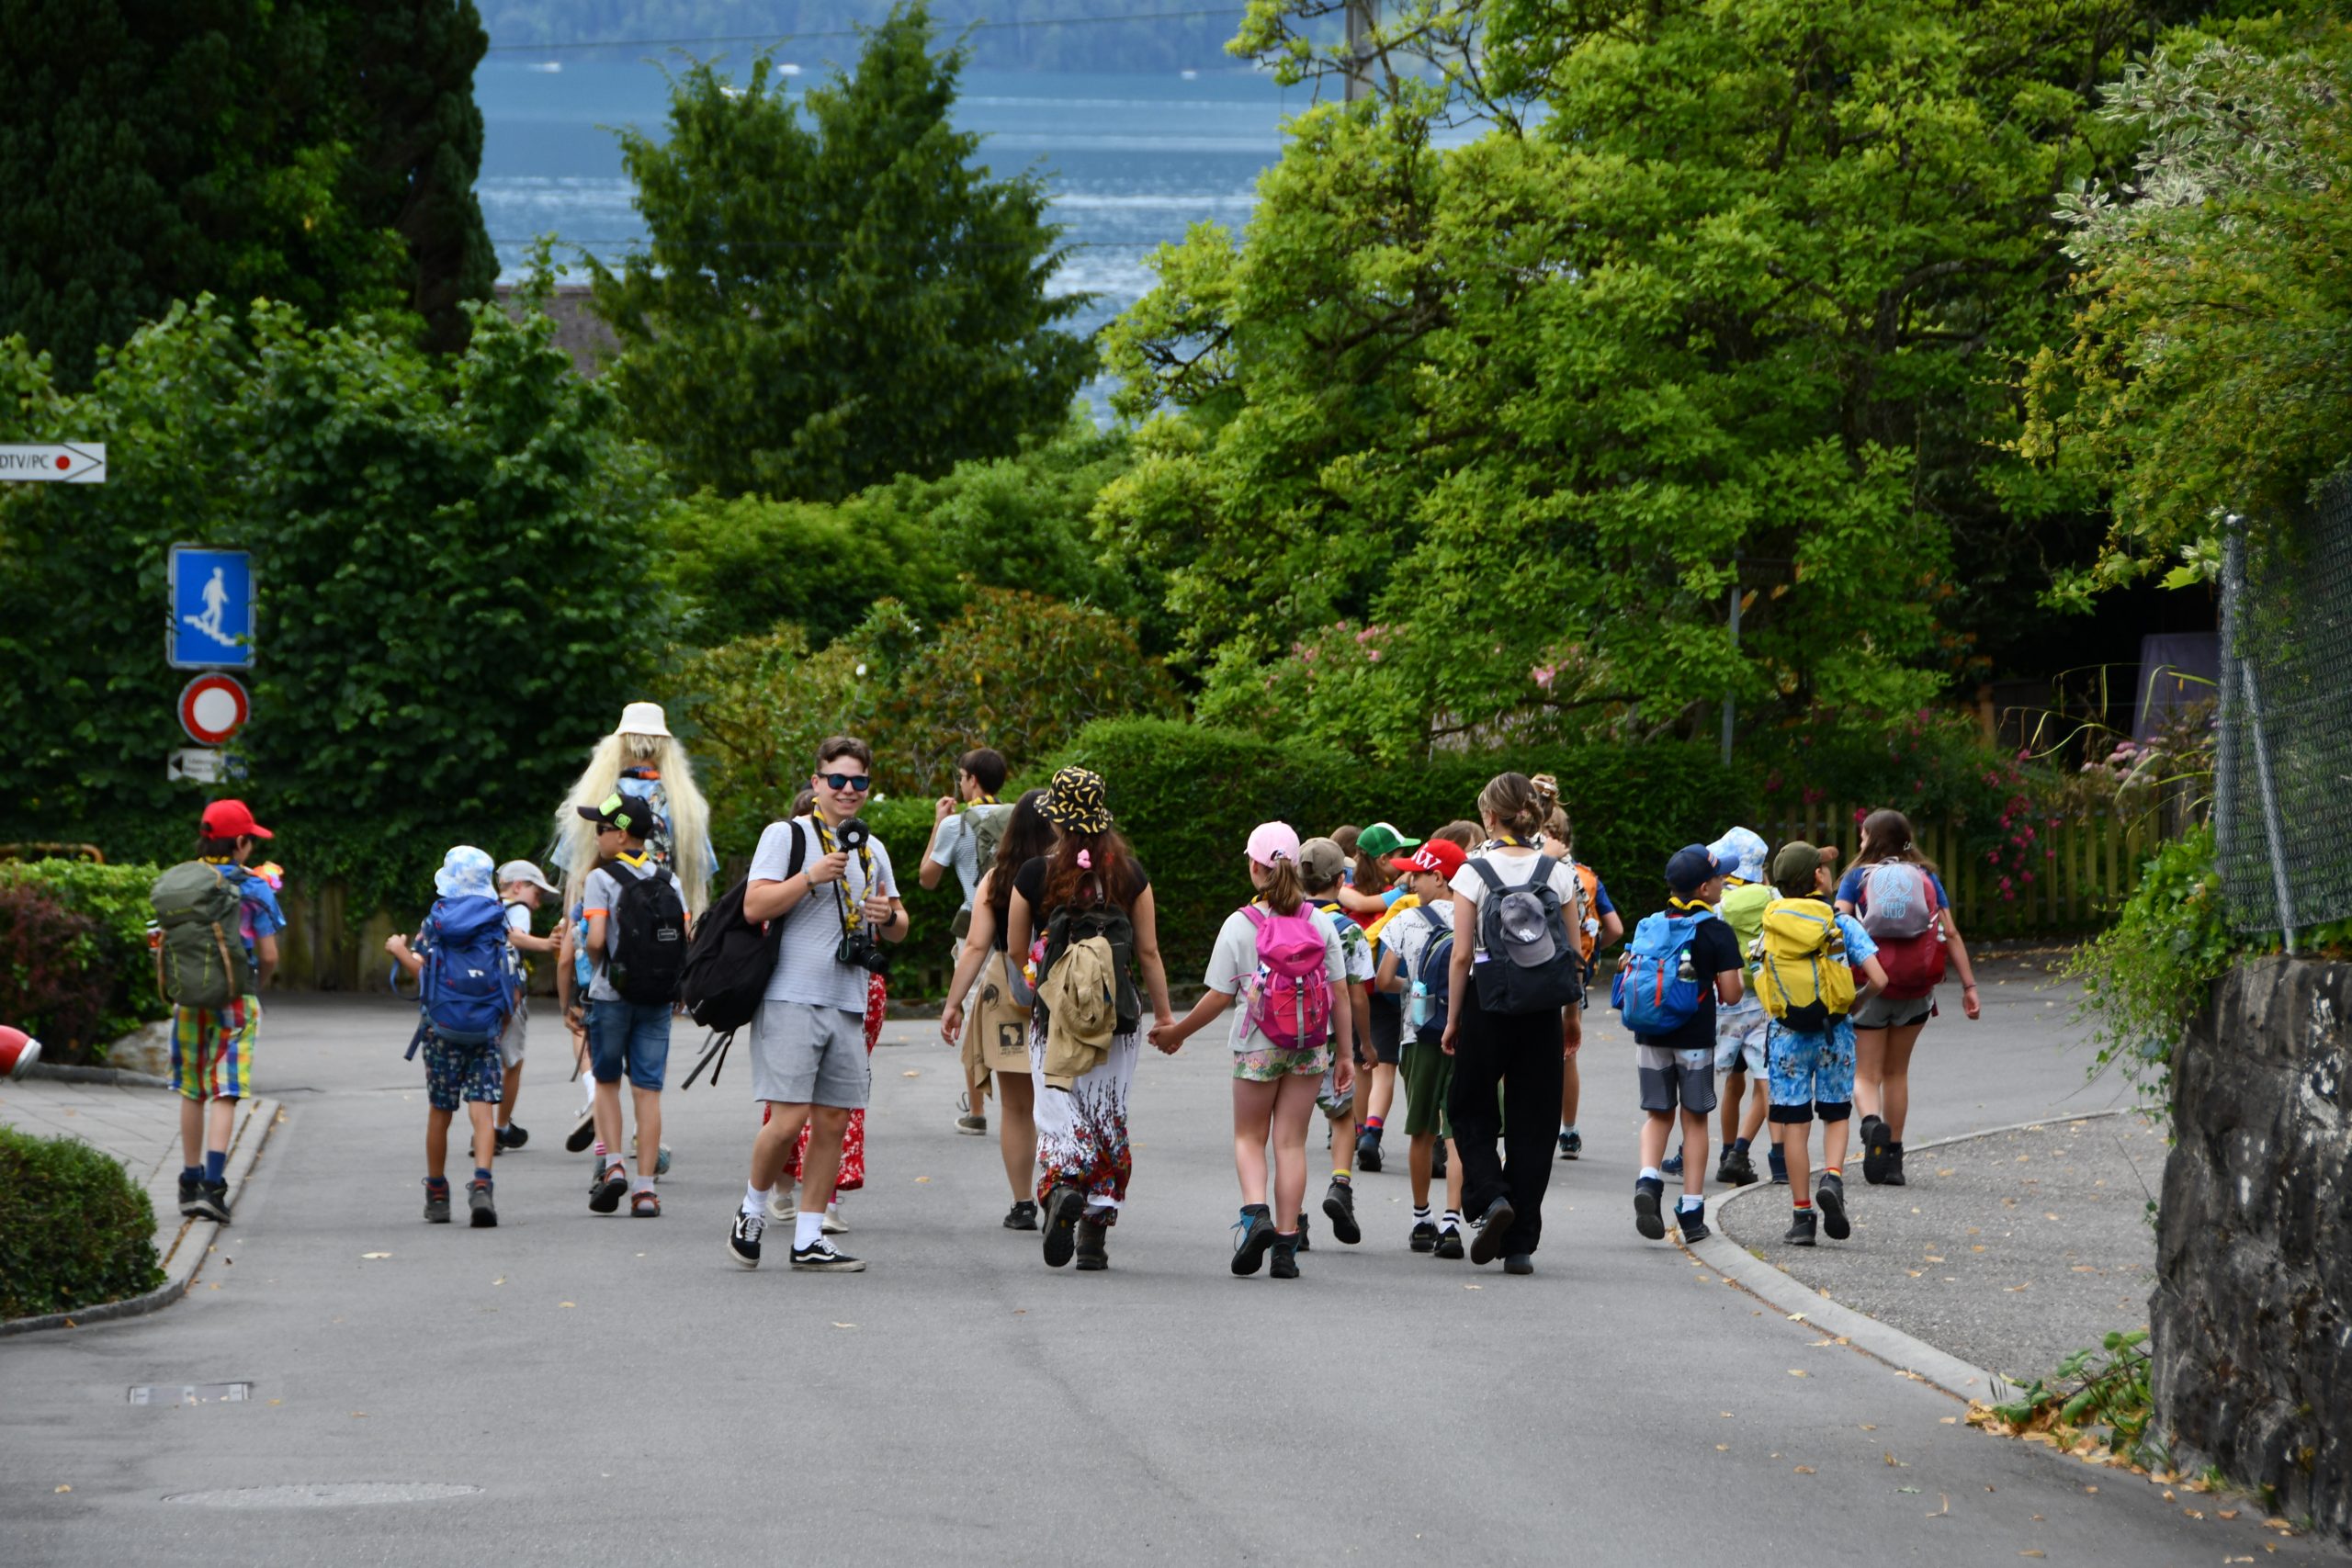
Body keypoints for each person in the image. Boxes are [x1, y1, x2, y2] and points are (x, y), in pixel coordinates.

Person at [729, 737, 909, 1273]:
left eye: (858, 782)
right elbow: (754, 903)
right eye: (837, 780)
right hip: (790, 995)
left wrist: (887, 916)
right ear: (816, 784)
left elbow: (900, 926)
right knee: (787, 1120)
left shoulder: (872, 850)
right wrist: (809, 876)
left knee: (833, 1120)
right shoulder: (787, 835)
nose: (848, 790)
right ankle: (751, 1209)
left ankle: (809, 1238)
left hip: (848, 1000)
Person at [1155, 822, 1351, 1280]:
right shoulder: (1319, 921)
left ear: (1254, 867)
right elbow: (1339, 993)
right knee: (1291, 1143)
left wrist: (1177, 1032)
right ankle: (1286, 1246)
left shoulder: (1240, 925)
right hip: (1308, 1047)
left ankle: (1254, 1215)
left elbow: (1218, 997)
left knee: (1249, 1137)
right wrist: (1343, 1055)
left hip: (1256, 1046)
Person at [1007, 768, 1173, 1271]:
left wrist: (1052, 991)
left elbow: (1016, 949)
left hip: (1054, 1018)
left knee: (1057, 1109)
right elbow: (1147, 951)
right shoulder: (1131, 874)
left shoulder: (1034, 874)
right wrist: (1166, 1016)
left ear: (1056, 819)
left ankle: (1061, 1186)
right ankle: (1094, 1235)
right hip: (1118, 1017)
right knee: (1107, 1113)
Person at [1440, 774, 1585, 1275]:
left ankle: (1491, 1195)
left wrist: (1455, 1019)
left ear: (1490, 817)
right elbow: (1571, 957)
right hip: (1543, 1008)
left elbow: (1460, 957)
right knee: (1536, 1122)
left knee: (1468, 1106)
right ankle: (1520, 1243)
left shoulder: (1471, 873)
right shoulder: (1558, 872)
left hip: (1488, 1004)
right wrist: (1571, 1016)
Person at [1837, 808, 1982, 1186]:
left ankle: (1872, 1127)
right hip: (1917, 989)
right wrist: (1969, 986)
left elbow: (1840, 930)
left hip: (1872, 987)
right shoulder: (1926, 876)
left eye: (1864, 835)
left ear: (1872, 838)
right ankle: (1895, 1162)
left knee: (1865, 1074)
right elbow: (1950, 933)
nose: (1861, 841)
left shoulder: (1855, 878)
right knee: (1897, 1072)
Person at [1758, 841, 1890, 1246]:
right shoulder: (1840, 923)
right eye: (1824, 868)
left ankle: (1802, 1219)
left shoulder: (1769, 926)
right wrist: (1852, 1003)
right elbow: (1881, 979)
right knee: (1835, 1115)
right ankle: (1832, 1178)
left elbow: (1760, 977)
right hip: (1835, 1034)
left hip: (1787, 1039)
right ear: (1818, 876)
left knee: (1794, 1127)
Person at [939, 789, 1055, 1230]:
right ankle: (1063, 1187)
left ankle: (1023, 1202)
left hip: (1009, 996)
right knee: (1064, 1101)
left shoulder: (997, 878)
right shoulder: (1072, 874)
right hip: (1063, 1001)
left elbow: (974, 946)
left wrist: (953, 1004)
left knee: (1017, 1108)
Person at [165, 799, 284, 1224]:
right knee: (226, 1090)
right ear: (238, 842)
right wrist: (256, 987)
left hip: (189, 999)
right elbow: (268, 954)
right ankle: (213, 1188)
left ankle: (188, 1179)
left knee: (192, 1088)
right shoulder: (253, 888)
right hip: (236, 998)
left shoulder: (184, 882)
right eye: (250, 841)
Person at [573, 793, 689, 1218]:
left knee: (607, 1082)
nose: (596, 837)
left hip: (611, 995)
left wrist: (595, 961)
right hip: (658, 998)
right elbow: (685, 934)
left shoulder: (600, 879)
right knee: (648, 1090)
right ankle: (645, 1190)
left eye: (600, 829)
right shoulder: (669, 879)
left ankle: (614, 1164)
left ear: (620, 834)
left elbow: (598, 939)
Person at [1623, 845, 1745, 1246]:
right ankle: (1692, 1211)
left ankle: (1648, 1180)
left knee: (1658, 1115)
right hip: (1694, 1039)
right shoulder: (1715, 930)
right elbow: (1730, 994)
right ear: (1705, 887)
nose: (1724, 883)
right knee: (1694, 1121)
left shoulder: (1649, 923)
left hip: (1650, 1036)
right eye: (1720, 879)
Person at [387, 848, 512, 1227]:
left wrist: (396, 949)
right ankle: (482, 1184)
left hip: (441, 1028)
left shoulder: (436, 920)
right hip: (485, 1026)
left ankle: (438, 1192)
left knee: (441, 1112)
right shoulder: (497, 920)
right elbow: (509, 973)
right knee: (482, 1109)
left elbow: (421, 972)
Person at [1374, 837, 1466, 1253]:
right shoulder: (1475, 917)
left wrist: (1414, 987)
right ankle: (1452, 1222)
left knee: (1422, 1132)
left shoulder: (1406, 921)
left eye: (1418, 873)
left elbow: (1381, 981)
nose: (1410, 880)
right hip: (1466, 1035)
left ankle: (1421, 1218)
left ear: (1440, 877)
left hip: (1419, 1034)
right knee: (1459, 1133)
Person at [549, 701, 717, 921]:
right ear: (665, 747)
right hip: (662, 925)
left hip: (605, 919)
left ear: (619, 744)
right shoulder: (684, 804)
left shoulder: (597, 795)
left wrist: (570, 929)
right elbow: (698, 878)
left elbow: (575, 873)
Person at [1529, 781, 1623, 1164]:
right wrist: (1591, 951)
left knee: (1518, 1050)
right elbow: (1614, 928)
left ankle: (1521, 1125)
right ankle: (1568, 1130)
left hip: (1526, 970)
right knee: (1566, 1054)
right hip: (1571, 973)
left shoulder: (1520, 864)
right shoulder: (1585, 876)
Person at [921, 747, 1012, 1135]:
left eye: (961, 776)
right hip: (1016, 925)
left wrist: (937, 824)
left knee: (973, 1013)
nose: (960, 783)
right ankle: (1029, 1100)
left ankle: (976, 1111)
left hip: (975, 927)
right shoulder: (1020, 817)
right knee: (1020, 1007)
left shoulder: (954, 825)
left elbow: (927, 878)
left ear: (972, 779)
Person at [1298, 836, 1374, 1247]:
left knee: (1291, 1134)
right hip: (1329, 1039)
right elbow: (1357, 994)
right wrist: (1365, 1044)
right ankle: (1340, 1186)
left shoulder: (1277, 920)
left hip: (1286, 1038)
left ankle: (1295, 1218)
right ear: (1341, 879)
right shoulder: (1347, 930)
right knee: (1342, 1118)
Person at [1344, 823, 1419, 1170]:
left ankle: (1361, 1134)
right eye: (1401, 855)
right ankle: (1373, 1132)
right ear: (1385, 858)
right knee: (1385, 1066)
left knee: (1362, 1064)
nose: (1405, 861)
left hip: (1352, 988)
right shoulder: (1395, 894)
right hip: (1386, 988)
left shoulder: (1343, 889)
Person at [1705, 829, 1775, 1187]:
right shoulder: (1771, 897)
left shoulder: (1717, 900)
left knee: (1733, 1083)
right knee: (1766, 1082)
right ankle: (1746, 1152)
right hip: (1763, 1001)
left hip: (1725, 1000)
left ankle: (1724, 1150)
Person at [492, 860, 562, 1152]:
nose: (538, 903)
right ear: (518, 886)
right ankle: (500, 1127)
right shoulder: (516, 909)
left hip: (481, 993)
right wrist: (547, 945)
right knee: (514, 1062)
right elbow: (514, 937)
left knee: (487, 1062)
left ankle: (483, 1128)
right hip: (508, 994)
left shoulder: (486, 907)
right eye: (537, 893)